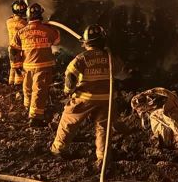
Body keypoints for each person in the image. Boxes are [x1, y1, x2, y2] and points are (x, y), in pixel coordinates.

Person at [51, 24, 125, 163]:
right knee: (103, 128)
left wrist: (68, 91)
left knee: (69, 120)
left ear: (85, 43)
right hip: (106, 99)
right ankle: (102, 158)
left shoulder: (81, 59)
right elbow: (120, 70)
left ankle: (58, 149)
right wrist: (110, 53)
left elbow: (70, 79)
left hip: (85, 98)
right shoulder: (110, 58)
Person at [14, 3, 60, 126]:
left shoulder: (21, 32)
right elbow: (56, 40)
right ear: (41, 15)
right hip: (43, 67)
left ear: (28, 16)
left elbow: (14, 50)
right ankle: (35, 118)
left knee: (28, 89)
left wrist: (17, 66)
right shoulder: (47, 30)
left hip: (28, 66)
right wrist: (50, 28)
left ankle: (27, 108)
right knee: (39, 91)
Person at [6, 0, 28, 86]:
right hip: (19, 50)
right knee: (19, 69)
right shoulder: (24, 24)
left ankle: (11, 83)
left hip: (11, 48)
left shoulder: (9, 21)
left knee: (13, 66)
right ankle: (18, 85)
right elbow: (27, 27)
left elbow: (14, 19)